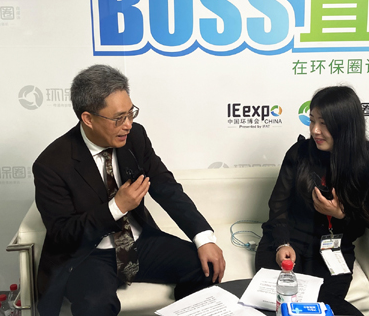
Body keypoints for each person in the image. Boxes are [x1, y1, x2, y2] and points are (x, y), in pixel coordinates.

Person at [33, 65, 226, 316]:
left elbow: (166, 187)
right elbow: (63, 234)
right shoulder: (52, 164)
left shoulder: (135, 137)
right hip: (88, 255)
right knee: (96, 305)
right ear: (88, 118)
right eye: (118, 118)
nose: (128, 125)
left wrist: (203, 237)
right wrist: (116, 207)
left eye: (131, 113)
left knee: (207, 268)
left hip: (137, 242)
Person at [255, 86, 369, 315]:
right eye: (312, 121)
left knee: (322, 307)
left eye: (324, 123)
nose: (315, 130)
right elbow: (278, 204)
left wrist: (342, 214)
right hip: (288, 240)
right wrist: (281, 243)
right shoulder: (299, 153)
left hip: (333, 249)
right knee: (275, 303)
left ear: (345, 125)